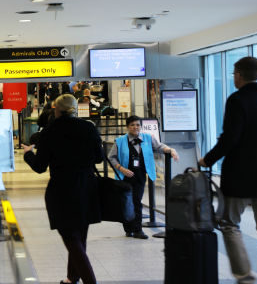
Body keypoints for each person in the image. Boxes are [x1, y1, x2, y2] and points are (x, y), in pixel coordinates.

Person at [199, 56, 257, 284]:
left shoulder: (237, 100)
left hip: (239, 176)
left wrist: (207, 160)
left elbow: (230, 138)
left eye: (233, 75)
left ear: (238, 74)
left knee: (230, 224)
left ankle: (245, 276)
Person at [21, 94, 102, 284]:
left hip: (62, 189)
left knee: (71, 237)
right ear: (75, 109)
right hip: (87, 187)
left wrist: (28, 154)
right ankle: (71, 279)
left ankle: (90, 281)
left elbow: (40, 167)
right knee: (80, 236)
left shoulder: (50, 132)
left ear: (56, 110)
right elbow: (99, 158)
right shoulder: (89, 128)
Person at [108, 116, 179, 239]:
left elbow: (159, 147)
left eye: (137, 125)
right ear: (127, 127)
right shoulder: (119, 141)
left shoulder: (147, 138)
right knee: (126, 202)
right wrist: (121, 169)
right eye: (132, 125)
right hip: (124, 176)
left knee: (136, 201)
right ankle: (128, 228)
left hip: (140, 175)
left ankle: (137, 229)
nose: (135, 127)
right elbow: (111, 157)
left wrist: (171, 150)